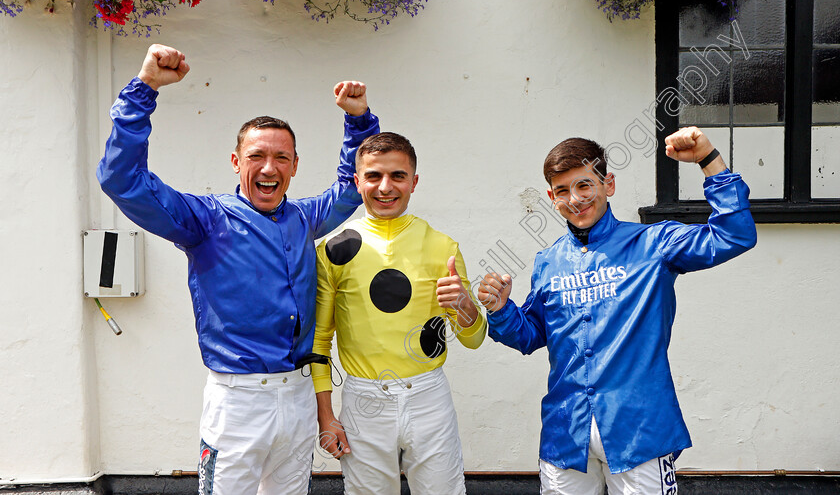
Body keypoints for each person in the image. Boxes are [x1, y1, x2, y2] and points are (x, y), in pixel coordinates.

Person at [97, 44, 379, 495]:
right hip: (238, 402)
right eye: (256, 157)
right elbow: (122, 180)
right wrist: (144, 88)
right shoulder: (205, 219)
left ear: (294, 167)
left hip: (299, 395)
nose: (269, 168)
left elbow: (351, 188)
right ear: (236, 162)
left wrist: (359, 120)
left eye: (281, 158)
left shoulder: (304, 217)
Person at [478, 127, 757, 495]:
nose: (575, 199)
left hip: (639, 432)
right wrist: (500, 310)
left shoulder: (653, 243)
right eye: (562, 191)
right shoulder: (548, 262)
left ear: (608, 184)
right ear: (551, 197)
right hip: (566, 435)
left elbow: (734, 235)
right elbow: (531, 336)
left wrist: (708, 160)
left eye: (584, 185)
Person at [311, 132, 487, 494]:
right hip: (364, 401)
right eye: (374, 176)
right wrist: (325, 415)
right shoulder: (332, 249)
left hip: (428, 398)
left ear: (414, 182)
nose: (385, 187)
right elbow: (319, 339)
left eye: (398, 176)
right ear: (357, 180)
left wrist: (466, 308)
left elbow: (474, 338)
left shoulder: (442, 246)